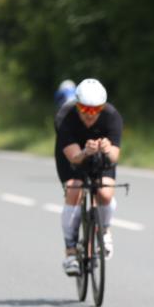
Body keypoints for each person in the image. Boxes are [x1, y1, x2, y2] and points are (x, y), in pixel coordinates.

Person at [54, 78, 123, 275]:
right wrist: (85, 152)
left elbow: (114, 156)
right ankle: (70, 251)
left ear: (102, 107)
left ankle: (105, 229)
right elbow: (74, 158)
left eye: (96, 110)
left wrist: (107, 149)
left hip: (101, 158)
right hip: (74, 156)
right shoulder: (65, 117)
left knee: (105, 194)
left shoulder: (112, 117)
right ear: (77, 105)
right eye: (85, 109)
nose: (90, 115)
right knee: (74, 187)